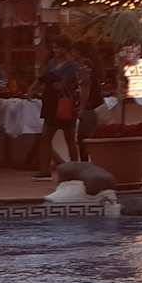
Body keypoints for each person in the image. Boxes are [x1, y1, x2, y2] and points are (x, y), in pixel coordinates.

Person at [35, 36, 81, 179]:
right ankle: (44, 169)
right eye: (54, 48)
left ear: (65, 49)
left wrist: (51, 80)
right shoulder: (52, 63)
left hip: (64, 102)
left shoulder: (72, 66)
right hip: (50, 102)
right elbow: (44, 78)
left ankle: (75, 169)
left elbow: (63, 84)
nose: (55, 51)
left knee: (69, 138)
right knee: (45, 136)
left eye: (58, 48)